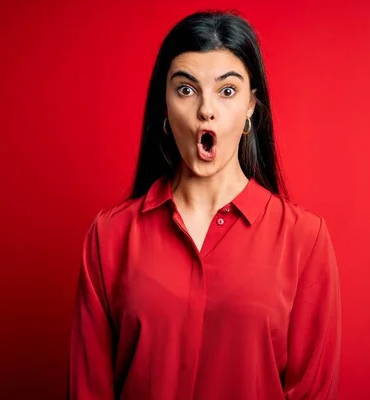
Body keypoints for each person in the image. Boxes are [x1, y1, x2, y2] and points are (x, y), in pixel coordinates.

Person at [68, 10, 341, 400]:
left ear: (251, 107)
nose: (205, 110)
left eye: (227, 91)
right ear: (164, 106)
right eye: (186, 89)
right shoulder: (109, 236)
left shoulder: (304, 239)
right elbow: (87, 389)